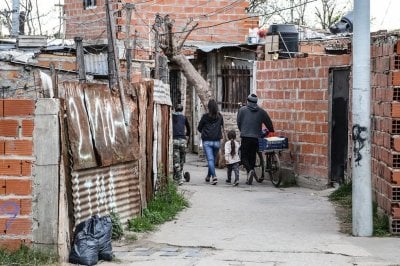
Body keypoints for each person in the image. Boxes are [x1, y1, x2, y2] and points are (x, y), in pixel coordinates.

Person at [237, 93, 274, 185]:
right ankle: (251, 170)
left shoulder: (242, 110)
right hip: (256, 137)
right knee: (252, 155)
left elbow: (239, 122)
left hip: (245, 136)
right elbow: (268, 123)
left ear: (248, 101)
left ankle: (250, 170)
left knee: (243, 156)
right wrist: (271, 130)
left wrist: (243, 130)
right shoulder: (261, 112)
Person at [197, 99, 224, 185]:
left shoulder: (205, 117)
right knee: (212, 160)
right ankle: (208, 176)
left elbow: (199, 128)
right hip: (216, 141)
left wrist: (205, 132)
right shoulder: (220, 116)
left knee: (210, 160)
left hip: (207, 141)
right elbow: (222, 127)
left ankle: (214, 176)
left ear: (208, 107)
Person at [172, 104, 190, 185]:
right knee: (182, 160)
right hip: (183, 140)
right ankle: (178, 176)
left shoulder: (172, 116)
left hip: (175, 140)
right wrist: (187, 135)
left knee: (176, 161)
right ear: (182, 110)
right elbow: (189, 128)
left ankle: (179, 178)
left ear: (175, 109)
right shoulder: (184, 117)